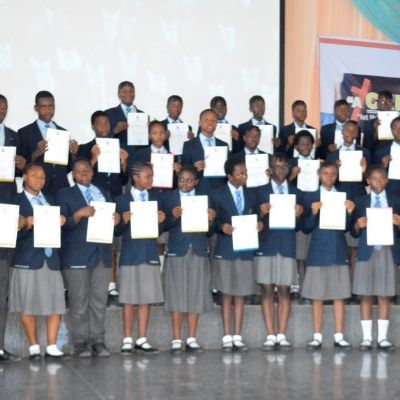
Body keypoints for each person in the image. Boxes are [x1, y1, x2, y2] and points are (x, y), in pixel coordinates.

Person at [57, 158, 120, 358]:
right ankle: (80, 343)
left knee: (99, 301)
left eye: (87, 170)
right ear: (73, 175)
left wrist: (117, 220)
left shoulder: (103, 193)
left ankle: (98, 341)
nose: (84, 173)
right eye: (79, 171)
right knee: (79, 302)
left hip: (101, 253)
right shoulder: (64, 194)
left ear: (92, 172)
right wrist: (77, 215)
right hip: (77, 254)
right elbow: (61, 224)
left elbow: (115, 225)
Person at [10, 163, 66, 359]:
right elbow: (7, 235)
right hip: (27, 258)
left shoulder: (50, 199)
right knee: (27, 304)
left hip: (51, 258)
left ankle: (51, 345)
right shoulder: (15, 202)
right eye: (35, 176)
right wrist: (25, 224)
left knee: (56, 303)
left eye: (42, 177)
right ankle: (33, 346)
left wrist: (62, 221)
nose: (40, 180)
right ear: (24, 177)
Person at [210, 157, 262, 352]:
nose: (245, 176)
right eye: (241, 173)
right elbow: (212, 221)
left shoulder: (252, 195)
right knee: (226, 294)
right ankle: (226, 335)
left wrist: (260, 224)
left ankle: (238, 335)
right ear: (230, 176)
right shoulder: (217, 195)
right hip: (226, 249)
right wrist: (220, 226)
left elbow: (258, 217)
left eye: (246, 172)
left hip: (245, 249)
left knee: (240, 293)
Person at [301, 161, 354, 349]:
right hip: (318, 250)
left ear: (337, 175)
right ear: (319, 174)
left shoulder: (343, 196)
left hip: (338, 249)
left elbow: (347, 228)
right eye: (325, 173)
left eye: (333, 174)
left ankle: (339, 335)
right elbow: (305, 228)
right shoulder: (310, 197)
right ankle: (317, 335)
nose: (329, 177)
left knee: (339, 295)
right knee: (317, 295)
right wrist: (313, 213)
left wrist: (350, 213)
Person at [163, 166, 215, 352]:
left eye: (189, 180)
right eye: (181, 180)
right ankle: (176, 338)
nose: (184, 183)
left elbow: (210, 231)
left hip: (198, 249)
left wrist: (211, 219)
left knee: (196, 293)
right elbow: (162, 226)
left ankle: (192, 338)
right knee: (176, 293)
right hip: (178, 249)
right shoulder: (169, 198)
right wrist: (172, 217)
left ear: (196, 182)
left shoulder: (204, 199)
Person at [255, 153, 304, 349]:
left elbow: (302, 225)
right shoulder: (259, 192)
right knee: (266, 291)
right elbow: (251, 219)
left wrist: (299, 215)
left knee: (284, 291)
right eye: (277, 166)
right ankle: (270, 335)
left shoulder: (296, 192)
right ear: (269, 170)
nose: (281, 170)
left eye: (285, 166)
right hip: (266, 245)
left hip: (286, 246)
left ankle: (282, 334)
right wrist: (260, 213)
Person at [78, 111, 129, 298]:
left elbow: (123, 180)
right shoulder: (85, 148)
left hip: (113, 197)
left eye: (107, 123)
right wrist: (93, 159)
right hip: (92, 200)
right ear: (93, 126)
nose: (104, 127)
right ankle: (89, 282)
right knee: (90, 240)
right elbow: (80, 176)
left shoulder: (118, 147)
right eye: (99, 123)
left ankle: (111, 283)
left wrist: (124, 162)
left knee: (112, 243)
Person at [116, 162, 165, 354]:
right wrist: (123, 221)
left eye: (152, 175)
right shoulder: (122, 200)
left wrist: (162, 221)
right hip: (130, 254)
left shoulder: (156, 198)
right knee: (128, 299)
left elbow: (161, 229)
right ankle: (127, 339)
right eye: (148, 176)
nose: (151, 179)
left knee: (146, 298)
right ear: (136, 177)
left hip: (149, 253)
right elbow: (116, 231)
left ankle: (142, 338)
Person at [352, 164, 400, 351]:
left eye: (381, 178)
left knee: (384, 294)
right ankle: (366, 338)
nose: (378, 181)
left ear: (387, 180)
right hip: (366, 252)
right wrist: (357, 225)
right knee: (365, 294)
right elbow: (353, 231)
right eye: (374, 178)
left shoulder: (395, 201)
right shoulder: (360, 201)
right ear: (368, 181)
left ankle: (382, 338)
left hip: (387, 251)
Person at [327, 120, 370, 277]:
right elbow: (328, 182)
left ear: (357, 134)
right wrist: (335, 170)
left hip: (359, 200)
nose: (350, 133)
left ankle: (354, 282)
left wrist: (364, 170)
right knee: (340, 242)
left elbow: (368, 181)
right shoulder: (332, 155)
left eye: (353, 130)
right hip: (339, 201)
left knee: (355, 244)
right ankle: (341, 281)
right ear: (342, 132)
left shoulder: (365, 153)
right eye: (347, 130)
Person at [0, 95, 25, 361]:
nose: (2, 111)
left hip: (6, 211)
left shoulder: (13, 136)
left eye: (5, 108)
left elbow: (18, 173)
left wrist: (21, 166)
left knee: (1, 287)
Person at [18, 90, 78, 196]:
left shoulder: (63, 132)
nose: (48, 110)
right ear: (36, 108)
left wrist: (74, 154)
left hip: (61, 188)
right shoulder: (24, 132)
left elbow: (68, 167)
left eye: (51, 106)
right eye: (43, 107)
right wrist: (35, 154)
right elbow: (20, 167)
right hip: (37, 189)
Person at [287, 131, 318, 297]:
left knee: (309, 251)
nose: (305, 146)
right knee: (297, 249)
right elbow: (281, 186)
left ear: (313, 145)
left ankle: (307, 284)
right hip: (297, 209)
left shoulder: (319, 163)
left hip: (313, 210)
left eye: (308, 143)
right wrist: (292, 175)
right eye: (302, 143)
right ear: (296, 147)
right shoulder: (290, 163)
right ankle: (294, 284)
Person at [182, 109, 229, 194]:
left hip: (220, 191)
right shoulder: (188, 145)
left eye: (213, 120)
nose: (210, 122)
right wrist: (193, 168)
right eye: (206, 119)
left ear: (217, 123)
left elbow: (228, 170)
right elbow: (183, 171)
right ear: (200, 123)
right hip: (198, 191)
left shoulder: (224, 145)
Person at [105, 81, 148, 158]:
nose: (128, 94)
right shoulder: (109, 113)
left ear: (134, 94)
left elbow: (147, 141)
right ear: (119, 94)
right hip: (118, 156)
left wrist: (149, 132)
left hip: (139, 157)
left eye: (131, 91)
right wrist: (115, 131)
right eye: (124, 91)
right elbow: (102, 137)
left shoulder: (143, 115)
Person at [373, 116, 400, 197]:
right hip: (391, 193)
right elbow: (373, 174)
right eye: (395, 128)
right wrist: (383, 166)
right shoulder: (380, 152)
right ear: (391, 130)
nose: (398, 131)